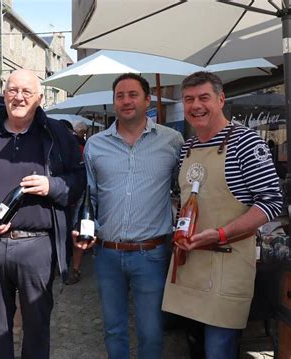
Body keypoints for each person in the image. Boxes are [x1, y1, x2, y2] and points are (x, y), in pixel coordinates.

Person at [0, 69, 85, 359]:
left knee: (37, 326)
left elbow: (78, 180)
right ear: (4, 93)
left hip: (37, 246)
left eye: (26, 91)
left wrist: (53, 185)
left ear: (39, 97)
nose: (18, 97)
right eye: (12, 90)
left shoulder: (57, 134)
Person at [162, 72, 283, 359]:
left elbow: (271, 203)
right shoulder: (187, 148)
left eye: (204, 98)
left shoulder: (247, 143)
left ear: (221, 99)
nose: (196, 106)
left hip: (227, 263)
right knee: (194, 345)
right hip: (189, 263)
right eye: (189, 99)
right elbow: (185, 202)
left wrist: (220, 233)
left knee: (218, 351)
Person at [73, 73, 184, 359]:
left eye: (133, 94)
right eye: (120, 95)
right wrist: (87, 227)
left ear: (148, 99)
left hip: (152, 253)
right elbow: (91, 196)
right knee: (114, 329)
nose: (126, 100)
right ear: (114, 102)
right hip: (107, 253)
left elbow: (180, 189)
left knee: (151, 331)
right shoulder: (96, 145)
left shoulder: (172, 141)